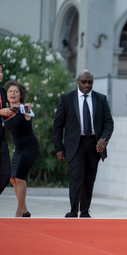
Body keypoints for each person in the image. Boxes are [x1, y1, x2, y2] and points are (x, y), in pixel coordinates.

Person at [53, 69, 114, 218]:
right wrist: (59, 148)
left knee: (89, 178)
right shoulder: (67, 99)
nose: (87, 85)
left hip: (94, 144)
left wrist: (103, 139)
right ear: (77, 82)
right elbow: (57, 126)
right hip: (75, 144)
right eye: (84, 82)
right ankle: (74, 209)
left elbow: (109, 123)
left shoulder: (101, 99)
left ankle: (85, 211)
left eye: (90, 82)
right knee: (76, 176)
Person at [3, 81, 39, 217]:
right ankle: (25, 211)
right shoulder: (5, 112)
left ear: (20, 95)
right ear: (6, 95)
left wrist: (27, 107)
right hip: (19, 149)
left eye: (16, 91)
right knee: (13, 178)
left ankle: (19, 211)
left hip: (30, 147)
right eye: (10, 91)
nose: (13, 94)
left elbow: (29, 109)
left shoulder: (24, 108)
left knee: (20, 178)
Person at [0, 62, 16, 195]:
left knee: (6, 174)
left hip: (1, 137)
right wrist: (1, 112)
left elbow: (3, 114)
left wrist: (10, 114)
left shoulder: (2, 91)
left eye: (1, 71)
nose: (0, 74)